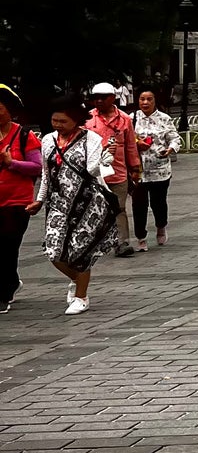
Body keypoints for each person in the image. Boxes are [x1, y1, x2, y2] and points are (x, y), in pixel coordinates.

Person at [28, 93, 118, 314]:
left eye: (63, 121)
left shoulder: (92, 139)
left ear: (76, 119)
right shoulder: (47, 140)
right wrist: (39, 200)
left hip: (87, 203)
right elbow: (46, 174)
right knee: (53, 251)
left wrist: (105, 159)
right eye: (54, 120)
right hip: (58, 203)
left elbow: (92, 171)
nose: (58, 125)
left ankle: (81, 296)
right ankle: (78, 280)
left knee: (79, 252)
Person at [0, 84, 42, 312]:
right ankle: (11, 282)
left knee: (8, 245)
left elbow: (37, 167)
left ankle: (4, 293)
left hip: (18, 202)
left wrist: (11, 163)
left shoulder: (24, 135)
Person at [87, 82, 140, 257]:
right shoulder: (87, 119)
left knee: (119, 208)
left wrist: (135, 168)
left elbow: (131, 146)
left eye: (103, 97)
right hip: (94, 174)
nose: (99, 101)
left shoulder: (124, 119)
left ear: (113, 98)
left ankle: (122, 243)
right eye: (96, 98)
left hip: (118, 173)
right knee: (96, 209)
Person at [131, 87, 180, 250]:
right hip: (138, 170)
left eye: (149, 99)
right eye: (142, 99)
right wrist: (137, 143)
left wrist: (170, 149)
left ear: (155, 101)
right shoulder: (131, 119)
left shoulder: (164, 118)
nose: (145, 102)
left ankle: (161, 226)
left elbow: (174, 138)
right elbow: (125, 138)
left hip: (160, 169)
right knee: (139, 204)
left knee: (158, 202)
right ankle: (141, 237)